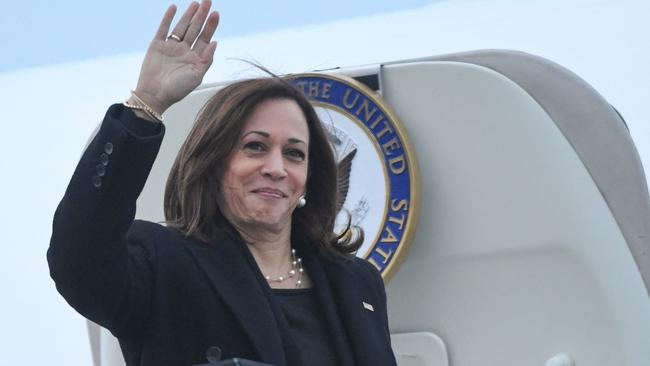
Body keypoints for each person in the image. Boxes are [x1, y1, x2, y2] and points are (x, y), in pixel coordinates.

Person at [47, 1, 396, 366]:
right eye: (255, 147)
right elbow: (79, 259)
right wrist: (146, 104)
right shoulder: (162, 262)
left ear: (310, 178)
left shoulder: (358, 283)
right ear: (213, 164)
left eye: (294, 154)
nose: (276, 167)